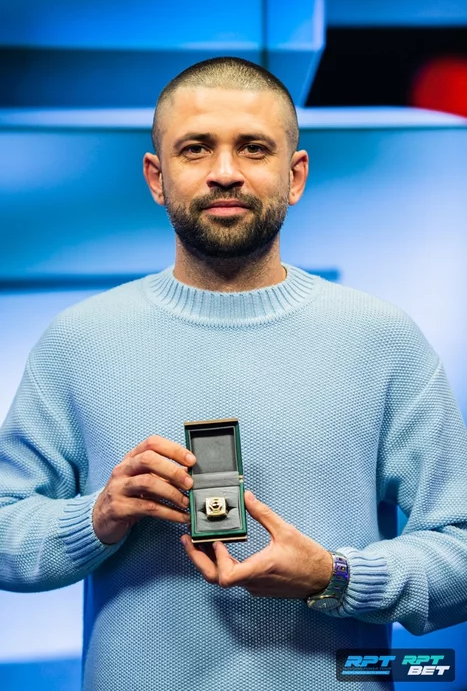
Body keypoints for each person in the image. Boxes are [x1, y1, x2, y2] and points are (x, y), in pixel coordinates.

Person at [1, 56, 467, 691]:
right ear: (156, 177)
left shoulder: (382, 339)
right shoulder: (78, 341)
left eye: (253, 148)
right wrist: (95, 518)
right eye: (196, 149)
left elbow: (460, 547)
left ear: (294, 176)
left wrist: (336, 577)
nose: (225, 172)